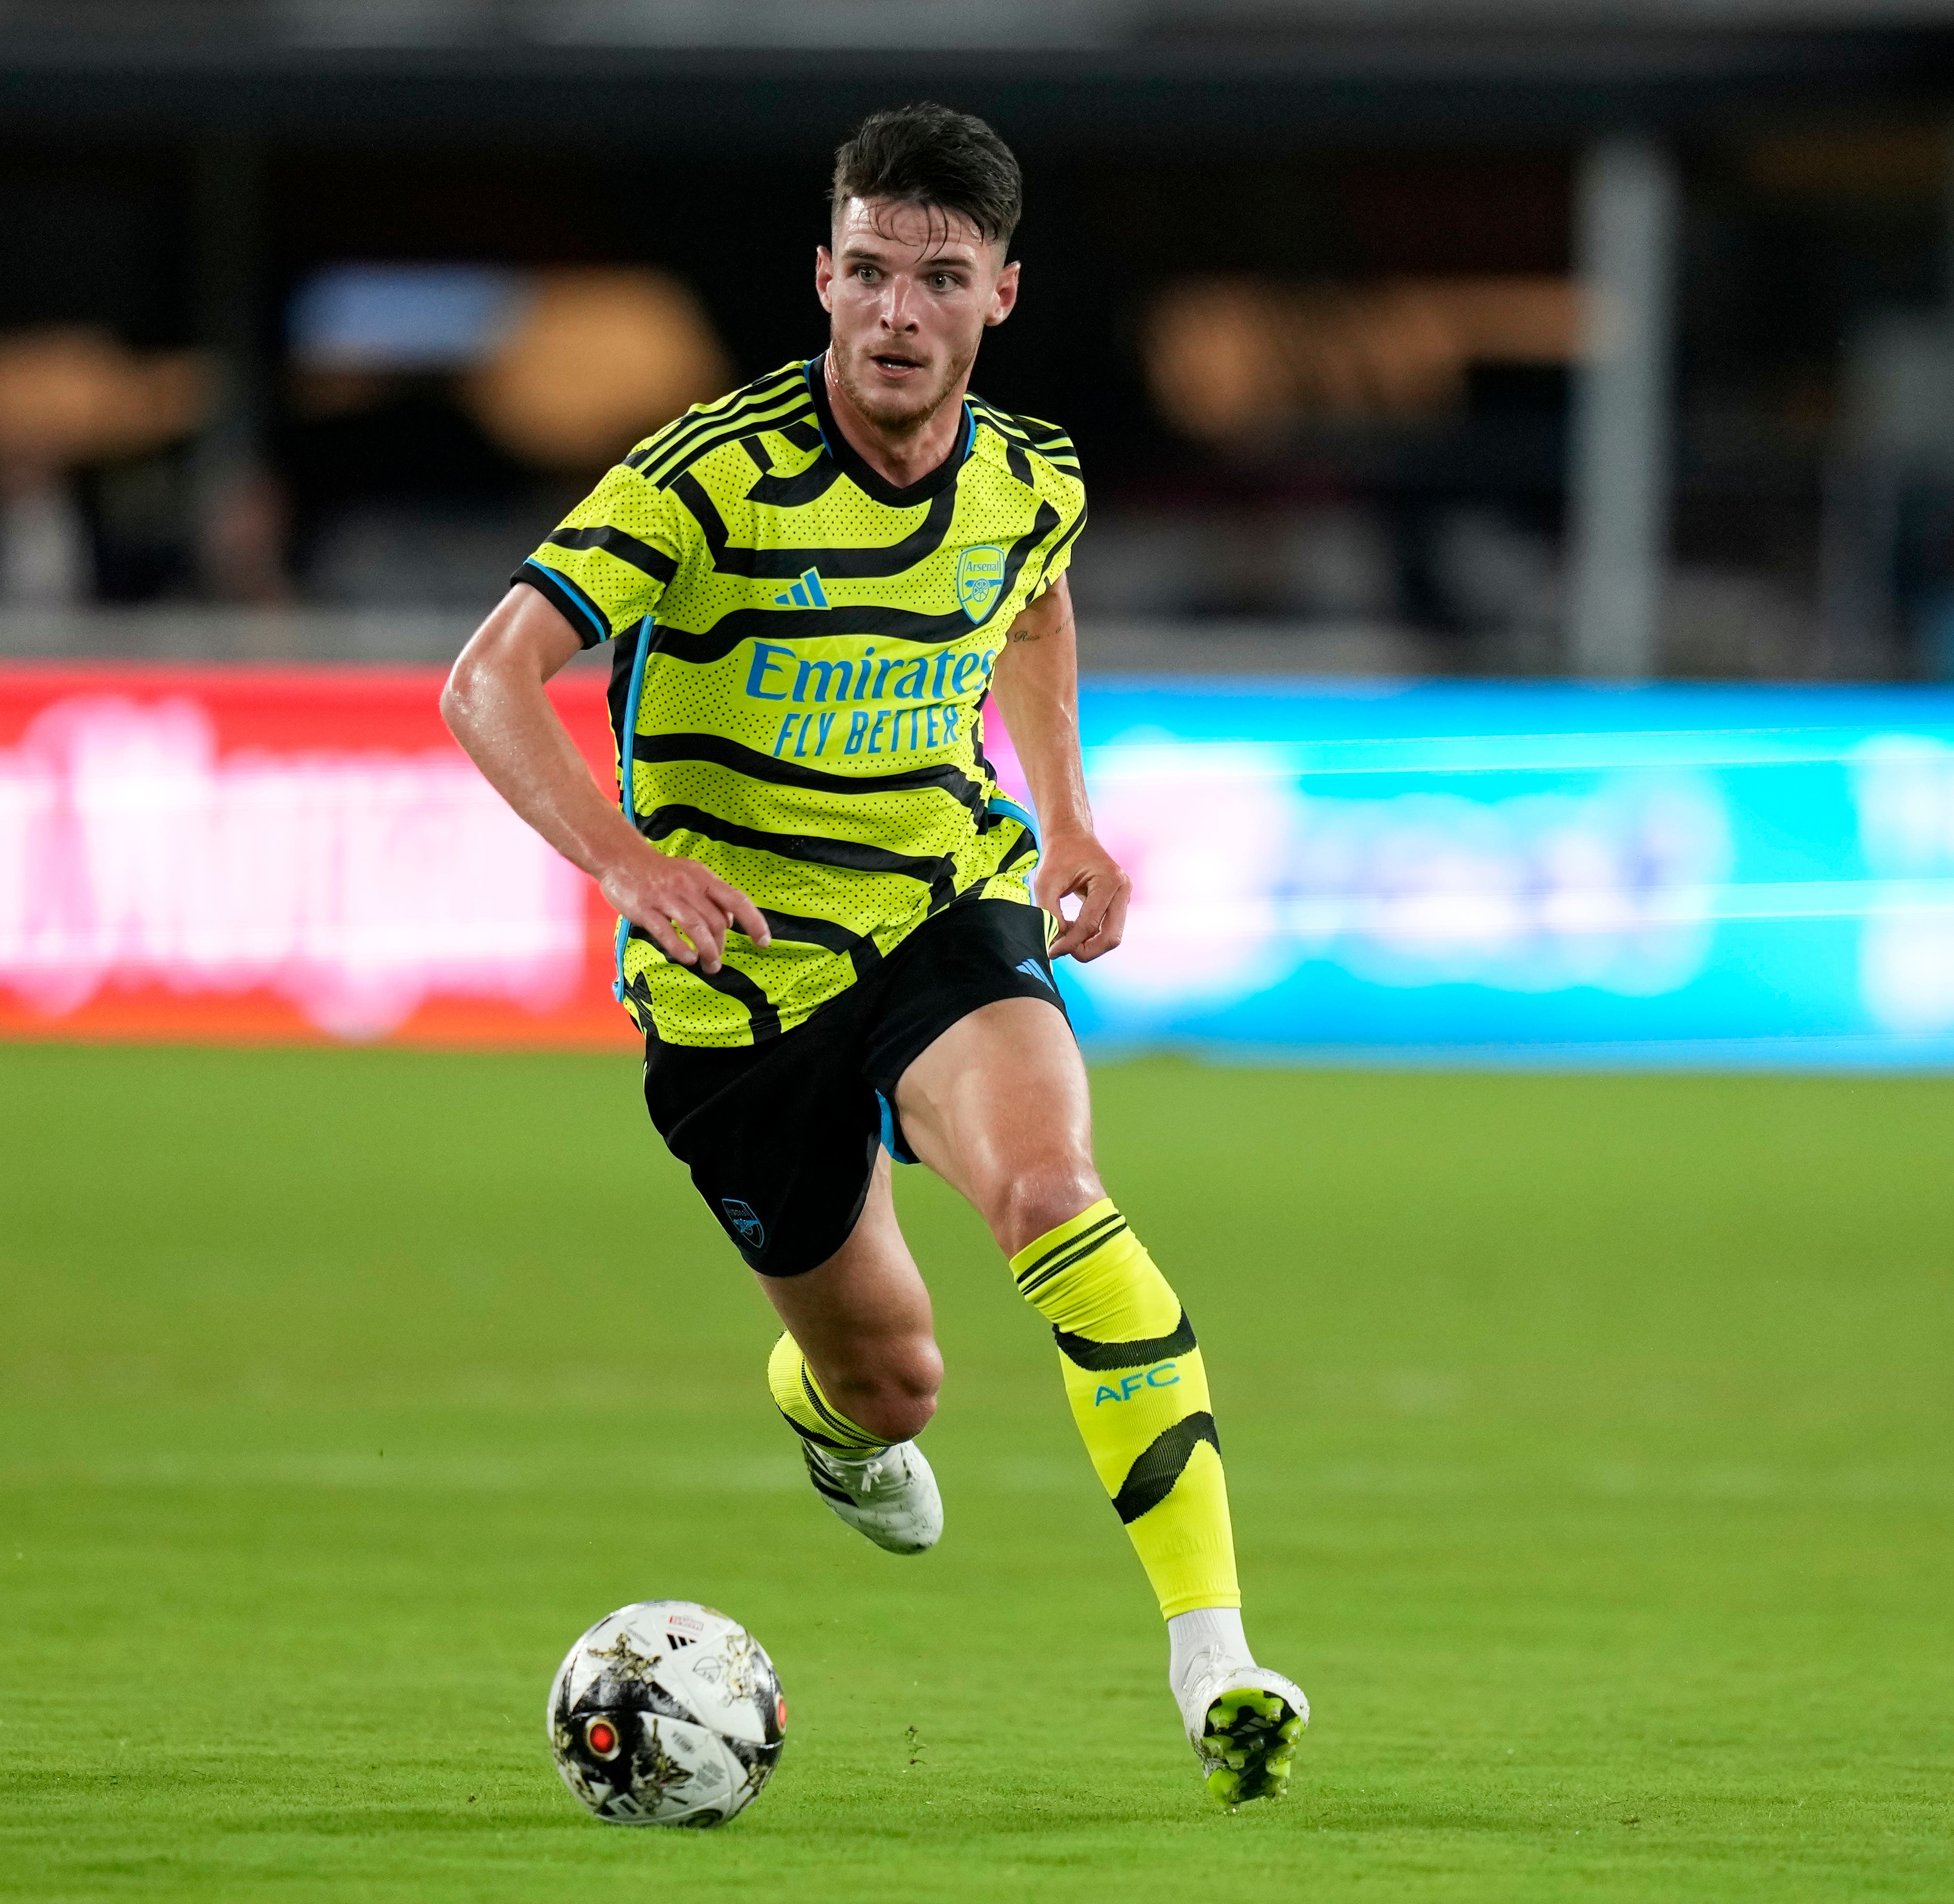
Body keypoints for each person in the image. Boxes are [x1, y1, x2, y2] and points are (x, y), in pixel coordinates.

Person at [442, 102, 1306, 1808]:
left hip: (935, 906)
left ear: (999, 295)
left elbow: (1036, 602)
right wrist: (625, 863)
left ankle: (1214, 1653)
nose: (896, 312)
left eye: (937, 278)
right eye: (867, 273)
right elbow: (487, 681)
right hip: (736, 986)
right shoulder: (705, 477)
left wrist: (1061, 818)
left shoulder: (1025, 474)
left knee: (1054, 1193)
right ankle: (829, 1415)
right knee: (892, 1382)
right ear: (820, 279)